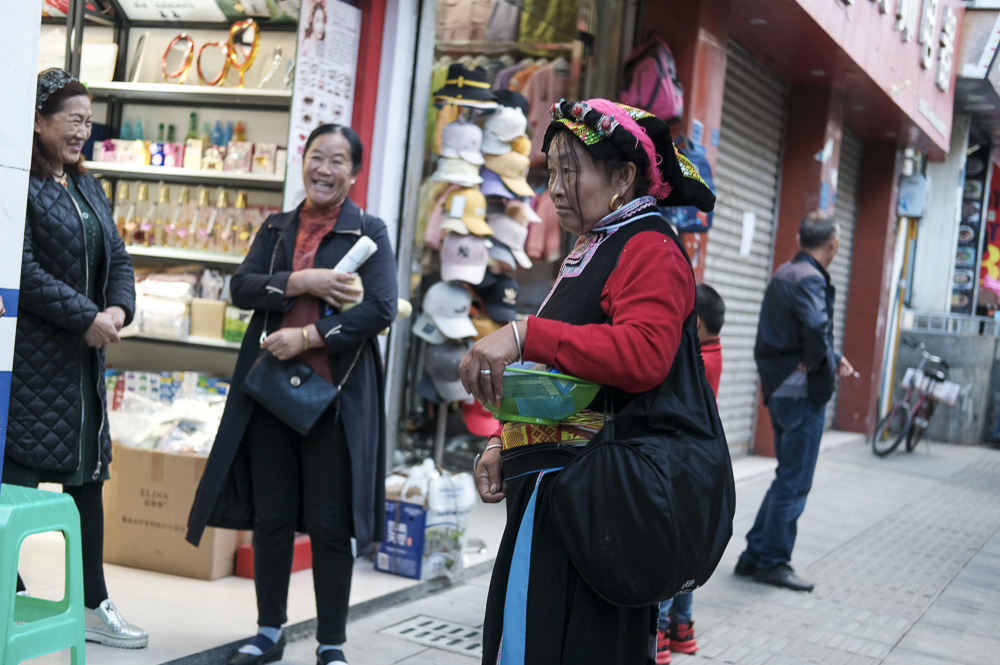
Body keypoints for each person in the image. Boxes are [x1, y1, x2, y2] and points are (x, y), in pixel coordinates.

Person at [459, 98, 718, 665]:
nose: (554, 187)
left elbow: (644, 354)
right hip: (557, 499)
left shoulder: (649, 246)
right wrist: (502, 441)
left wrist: (527, 333)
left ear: (624, 177)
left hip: (599, 507)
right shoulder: (593, 247)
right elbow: (561, 376)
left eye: (570, 170)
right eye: (550, 171)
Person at [186, 124, 398, 665]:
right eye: (315, 156)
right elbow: (242, 287)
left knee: (331, 524)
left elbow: (380, 308)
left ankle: (331, 643)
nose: (323, 169)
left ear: (354, 173)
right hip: (270, 396)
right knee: (272, 516)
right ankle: (269, 631)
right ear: (302, 161)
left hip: (333, 400)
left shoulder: (367, 232)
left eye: (337, 161)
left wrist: (309, 336)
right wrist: (302, 282)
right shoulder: (277, 229)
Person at [4, 68, 146, 648]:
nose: (83, 131)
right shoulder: (18, 184)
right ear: (38, 121)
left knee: (88, 480)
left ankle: (94, 603)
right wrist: (84, 316)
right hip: (31, 362)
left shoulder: (87, 186)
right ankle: (8, 593)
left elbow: (118, 253)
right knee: (13, 482)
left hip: (82, 367)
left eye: (89, 121)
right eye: (73, 120)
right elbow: (21, 269)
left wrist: (117, 308)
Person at [734, 211, 854, 592]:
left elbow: (791, 332)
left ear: (800, 238)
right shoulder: (811, 278)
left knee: (786, 477)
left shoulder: (786, 272)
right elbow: (816, 327)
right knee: (795, 482)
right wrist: (822, 361)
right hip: (802, 393)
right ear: (832, 245)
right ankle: (773, 561)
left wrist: (830, 356)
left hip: (782, 390)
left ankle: (753, 555)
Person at [655, 282, 725, 663]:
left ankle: (661, 633)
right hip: (699, 465)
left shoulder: (697, 359)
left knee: (672, 551)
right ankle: (683, 628)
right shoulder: (712, 351)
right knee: (688, 552)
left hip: (684, 463)